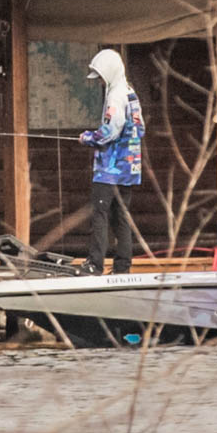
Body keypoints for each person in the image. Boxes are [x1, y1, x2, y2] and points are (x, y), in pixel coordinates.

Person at [79, 49, 144, 274]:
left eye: (101, 76)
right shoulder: (130, 93)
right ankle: (122, 267)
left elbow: (110, 131)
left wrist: (89, 138)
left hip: (109, 169)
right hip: (128, 170)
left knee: (100, 214)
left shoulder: (115, 96)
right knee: (121, 217)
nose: (100, 82)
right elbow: (140, 128)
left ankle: (95, 264)